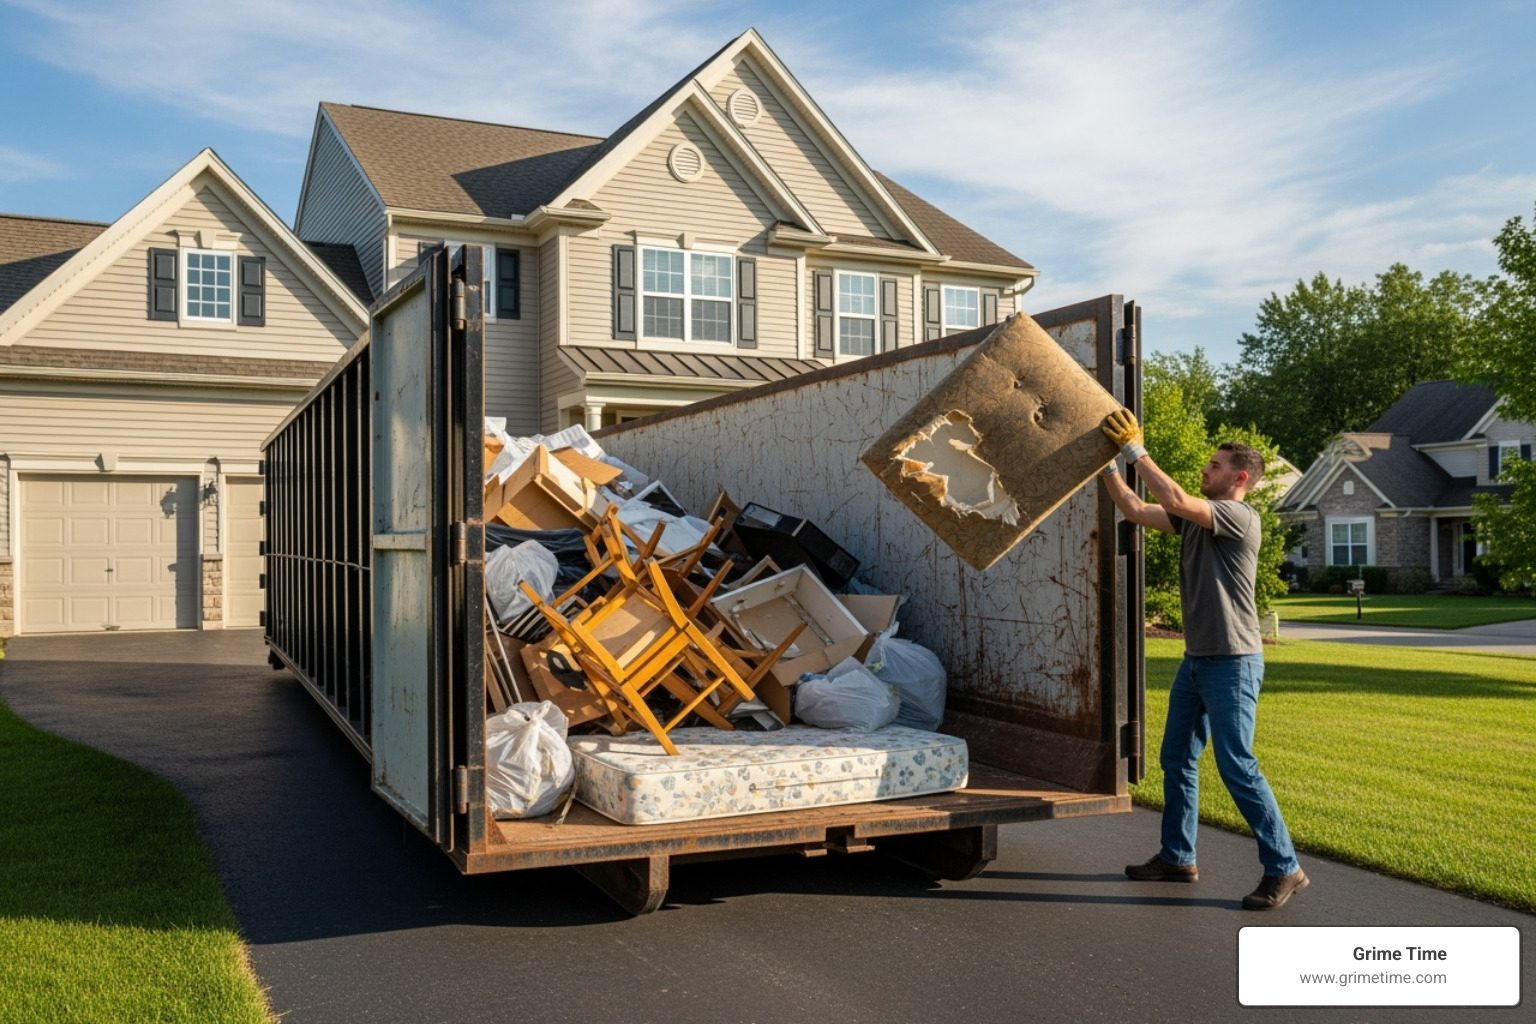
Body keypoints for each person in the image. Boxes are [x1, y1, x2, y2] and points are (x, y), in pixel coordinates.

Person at [1099, 408, 1307, 911]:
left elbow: (1173, 498)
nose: (1205, 470)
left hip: (1233, 663)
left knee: (1238, 766)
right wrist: (1103, 465)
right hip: (1196, 662)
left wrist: (1134, 450)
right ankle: (1178, 856)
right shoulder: (1194, 519)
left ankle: (1285, 867)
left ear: (1240, 478)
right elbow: (1135, 508)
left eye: (1215, 466)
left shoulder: (1239, 517)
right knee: (1176, 758)